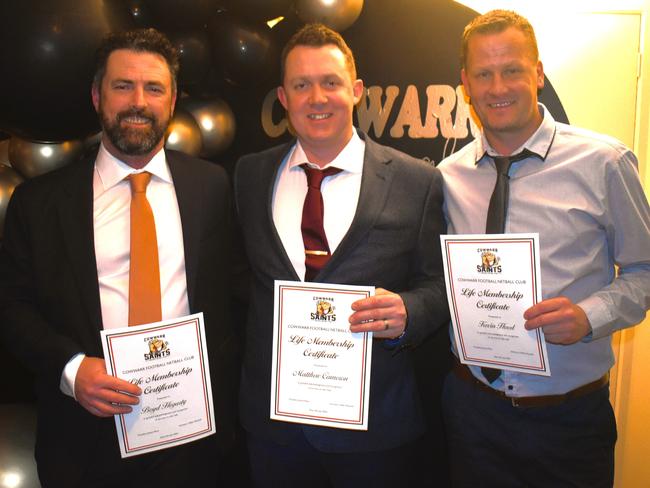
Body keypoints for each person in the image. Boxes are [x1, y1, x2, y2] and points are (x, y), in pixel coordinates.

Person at [0, 28, 239, 487]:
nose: (138, 102)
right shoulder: (39, 203)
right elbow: (10, 308)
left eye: (154, 88)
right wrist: (72, 369)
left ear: (172, 102)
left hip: (192, 436)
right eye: (122, 85)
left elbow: (239, 289)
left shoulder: (212, 187)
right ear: (96, 96)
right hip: (82, 435)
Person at [438, 9, 650, 487]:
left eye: (512, 69)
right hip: (472, 414)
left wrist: (590, 315)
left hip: (569, 421)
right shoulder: (447, 177)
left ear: (538, 72)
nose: (498, 88)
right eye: (484, 74)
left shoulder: (605, 162)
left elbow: (645, 269)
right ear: (465, 84)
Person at [234, 23, 449, 487]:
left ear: (355, 91)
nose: (317, 97)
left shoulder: (417, 182)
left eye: (330, 82)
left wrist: (409, 311)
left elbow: (440, 284)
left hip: (376, 429)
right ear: (283, 96)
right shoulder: (248, 177)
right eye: (301, 84)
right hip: (274, 429)